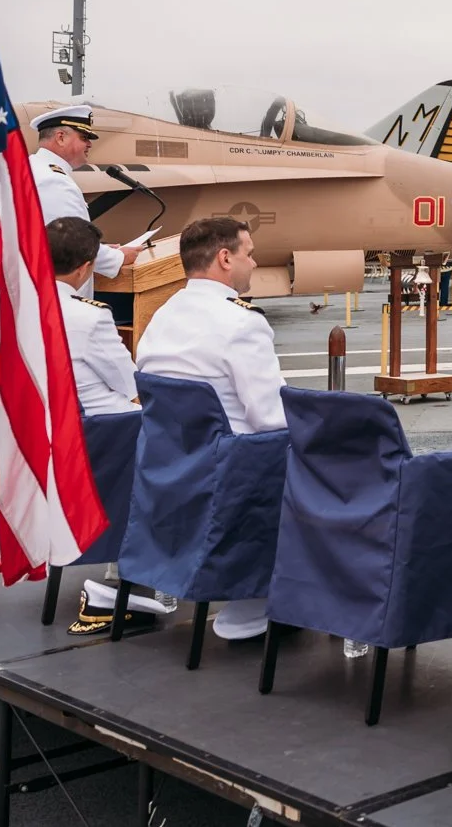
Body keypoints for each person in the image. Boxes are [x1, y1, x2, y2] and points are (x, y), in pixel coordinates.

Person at [128, 216, 291, 641]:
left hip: (170, 468)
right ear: (224, 258)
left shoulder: (162, 316)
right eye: (248, 254)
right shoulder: (243, 322)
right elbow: (270, 417)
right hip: (234, 471)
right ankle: (278, 592)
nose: (253, 264)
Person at [28, 106, 139, 280]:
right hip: (56, 296)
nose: (89, 144)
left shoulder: (34, 168)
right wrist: (119, 257)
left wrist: (98, 247)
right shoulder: (53, 181)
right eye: (84, 137)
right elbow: (70, 243)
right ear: (61, 137)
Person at [46, 218, 138, 417]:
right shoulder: (91, 316)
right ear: (83, 268)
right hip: (97, 423)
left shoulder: (14, 306)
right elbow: (128, 382)